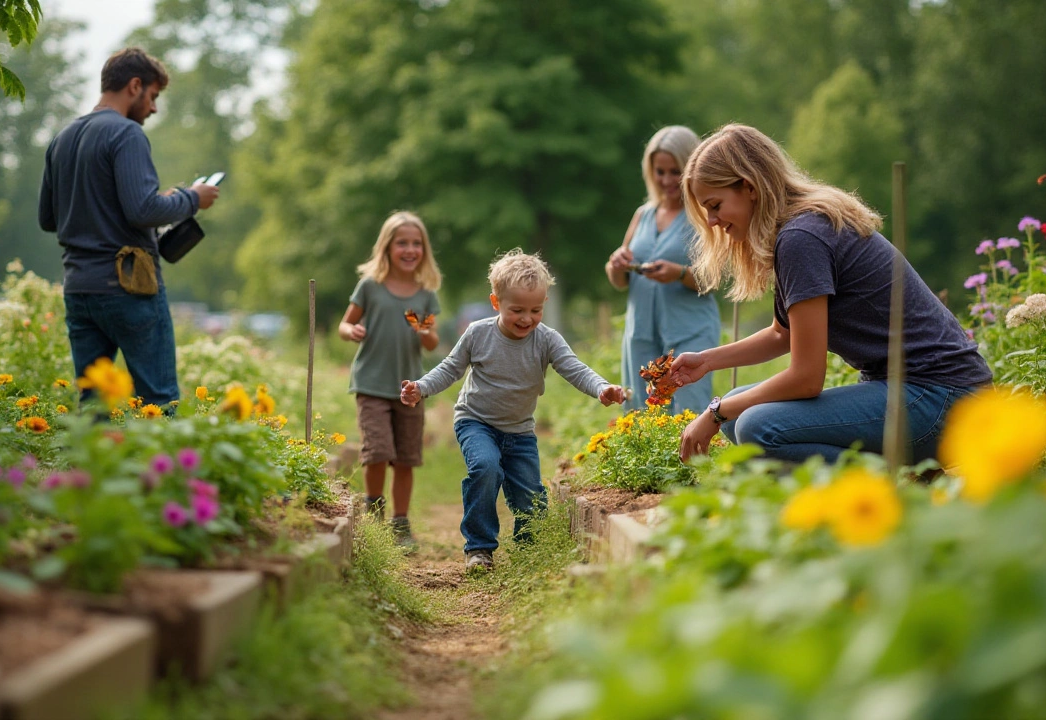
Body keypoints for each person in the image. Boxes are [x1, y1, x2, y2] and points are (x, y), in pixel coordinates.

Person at [671, 124, 992, 464]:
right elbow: (783, 334)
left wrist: (715, 412)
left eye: (715, 205)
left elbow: (806, 378)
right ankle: (891, 477)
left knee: (755, 425)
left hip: (943, 398)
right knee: (740, 409)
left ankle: (881, 492)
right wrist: (706, 362)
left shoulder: (801, 238)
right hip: (921, 393)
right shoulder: (797, 230)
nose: (712, 221)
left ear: (748, 187)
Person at [401, 250, 627, 570]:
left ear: (544, 303)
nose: (526, 318)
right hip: (475, 421)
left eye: (535, 310)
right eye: (516, 309)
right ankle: (479, 548)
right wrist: (421, 388)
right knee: (486, 467)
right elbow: (450, 369)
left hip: (519, 430)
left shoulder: (547, 340)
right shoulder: (478, 334)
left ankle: (528, 550)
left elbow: (575, 368)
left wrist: (602, 388)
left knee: (530, 496)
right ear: (496, 303)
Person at [39, 47, 219, 408]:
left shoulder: (62, 139)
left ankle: (90, 467)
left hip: (80, 289)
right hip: (129, 287)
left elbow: (48, 219)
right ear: (134, 86)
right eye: (152, 96)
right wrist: (191, 198)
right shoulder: (126, 134)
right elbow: (143, 210)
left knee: (93, 404)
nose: (153, 108)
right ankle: (163, 466)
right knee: (158, 400)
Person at [339, 211, 442, 548]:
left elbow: (432, 342)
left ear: (424, 250)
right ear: (387, 247)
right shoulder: (371, 286)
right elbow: (345, 324)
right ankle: (373, 512)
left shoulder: (424, 294)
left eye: (416, 243)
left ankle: (400, 523)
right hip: (371, 382)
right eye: (402, 243)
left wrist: (423, 330)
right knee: (378, 450)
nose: (410, 249)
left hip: (410, 388)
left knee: (406, 456)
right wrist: (351, 330)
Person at [606, 126, 721, 414]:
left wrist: (680, 273)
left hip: (689, 333)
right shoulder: (643, 215)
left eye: (675, 171)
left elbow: (715, 280)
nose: (667, 180)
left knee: (688, 414)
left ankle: (695, 461)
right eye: (660, 172)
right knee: (642, 415)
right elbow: (619, 281)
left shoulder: (704, 216)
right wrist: (616, 264)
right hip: (642, 332)